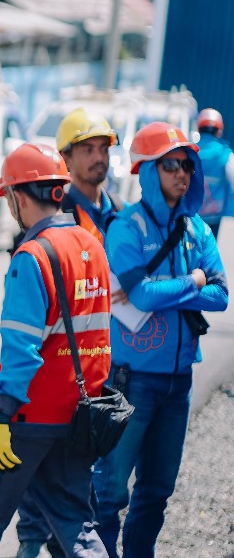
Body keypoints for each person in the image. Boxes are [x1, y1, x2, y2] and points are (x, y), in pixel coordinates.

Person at [0, 143, 112, 558]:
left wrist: (2, 415)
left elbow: (21, 350)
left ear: (18, 196)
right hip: (76, 416)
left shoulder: (32, 256)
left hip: (23, 417)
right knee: (76, 527)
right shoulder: (92, 247)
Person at [93, 122, 229, 558]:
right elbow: (142, 293)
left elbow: (222, 296)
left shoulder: (198, 231)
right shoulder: (125, 228)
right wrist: (192, 278)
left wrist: (167, 288)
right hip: (132, 382)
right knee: (111, 491)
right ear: (148, 170)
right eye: (170, 164)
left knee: (157, 491)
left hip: (179, 384)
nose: (182, 173)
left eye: (187, 164)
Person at [15, 108, 122, 558]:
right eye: (87, 150)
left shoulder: (111, 213)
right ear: (65, 159)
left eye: (103, 149)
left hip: (98, 370)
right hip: (59, 379)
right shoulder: (60, 218)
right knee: (50, 497)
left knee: (83, 494)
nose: (98, 158)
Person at [195, 108, 234, 239]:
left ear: (199, 128)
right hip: (214, 217)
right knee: (208, 253)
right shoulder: (226, 154)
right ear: (219, 130)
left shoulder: (190, 151)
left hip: (190, 214)